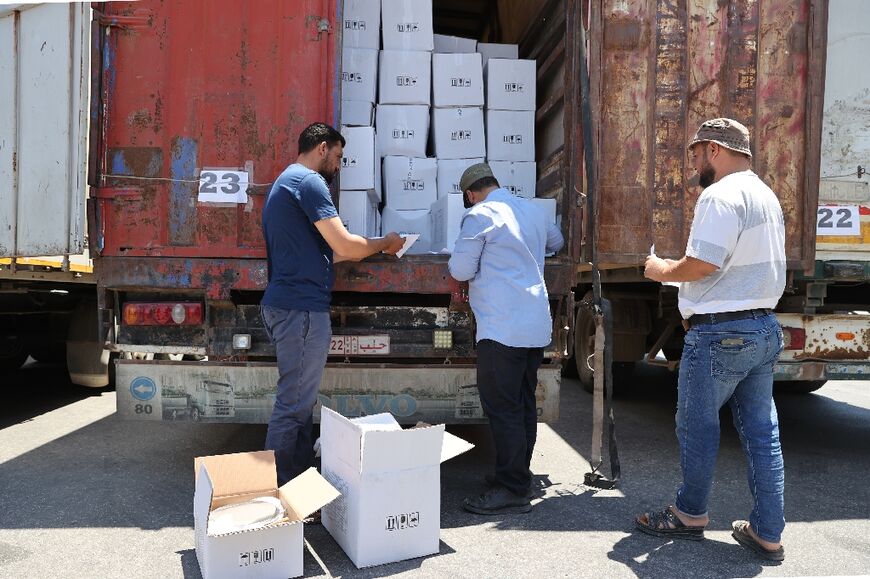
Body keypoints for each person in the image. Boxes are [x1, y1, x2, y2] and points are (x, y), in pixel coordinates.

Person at [636, 118, 787, 561]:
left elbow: (703, 264)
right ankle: (768, 532)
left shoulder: (720, 195)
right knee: (763, 434)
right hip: (763, 327)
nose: (695, 164)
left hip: (722, 332)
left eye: (697, 153)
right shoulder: (766, 195)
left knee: (696, 426)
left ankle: (689, 514)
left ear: (716, 150)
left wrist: (658, 270)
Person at [261, 122, 404, 485]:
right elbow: (346, 248)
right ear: (322, 148)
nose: (339, 166)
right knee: (292, 404)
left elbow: (327, 255)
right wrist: (384, 242)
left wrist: (365, 246)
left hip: (289, 305)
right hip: (301, 310)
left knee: (297, 404)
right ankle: (272, 493)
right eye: (338, 156)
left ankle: (294, 483)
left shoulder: (286, 182)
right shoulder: (309, 183)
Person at [448, 163, 564, 515]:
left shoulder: (480, 216)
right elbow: (556, 244)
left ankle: (513, 487)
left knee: (503, 408)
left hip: (502, 328)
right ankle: (517, 475)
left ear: (470, 194)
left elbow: (460, 270)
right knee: (524, 404)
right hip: (534, 325)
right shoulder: (532, 210)